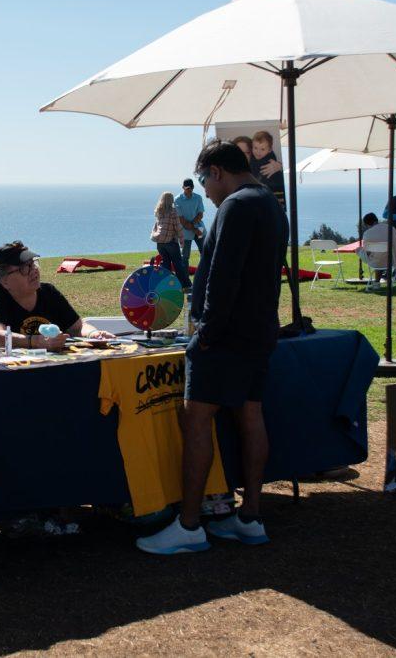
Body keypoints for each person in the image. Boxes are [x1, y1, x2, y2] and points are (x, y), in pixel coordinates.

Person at [136, 139, 287, 555]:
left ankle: (188, 526)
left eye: (205, 180)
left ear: (217, 171)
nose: (204, 190)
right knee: (250, 414)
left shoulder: (236, 206)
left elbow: (223, 278)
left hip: (226, 335)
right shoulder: (272, 205)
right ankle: (250, 517)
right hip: (259, 330)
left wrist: (206, 336)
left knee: (196, 419)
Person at [0, 241, 113, 351]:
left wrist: (94, 335)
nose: (34, 270)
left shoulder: (49, 292)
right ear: (4, 281)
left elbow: (77, 327)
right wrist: (35, 342)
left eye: (33, 264)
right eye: (24, 268)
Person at [151, 192, 193, 291]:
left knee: (166, 265)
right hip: (170, 242)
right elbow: (178, 227)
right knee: (178, 264)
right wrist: (182, 240)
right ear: (171, 200)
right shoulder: (173, 211)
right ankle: (186, 285)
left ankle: (167, 286)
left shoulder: (159, 211)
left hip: (160, 242)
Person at [357, 212, 396, 280]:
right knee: (381, 255)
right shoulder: (391, 228)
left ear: (367, 225)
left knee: (359, 250)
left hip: (377, 262)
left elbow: (367, 252)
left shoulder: (367, 233)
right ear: (376, 220)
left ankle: (377, 282)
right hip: (393, 260)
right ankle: (385, 278)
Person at [249, 131, 286, 209]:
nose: (258, 152)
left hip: (270, 192)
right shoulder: (252, 157)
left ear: (269, 150)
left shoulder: (269, 162)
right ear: (252, 147)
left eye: (262, 149)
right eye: (255, 148)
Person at [174, 178, 206, 265]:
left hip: (199, 228)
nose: (190, 190)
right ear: (183, 187)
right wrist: (194, 229)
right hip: (185, 231)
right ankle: (185, 278)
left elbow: (200, 214)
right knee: (185, 256)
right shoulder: (177, 200)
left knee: (205, 252)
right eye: (187, 188)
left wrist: (194, 227)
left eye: (191, 188)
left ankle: (204, 275)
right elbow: (182, 220)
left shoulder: (198, 198)